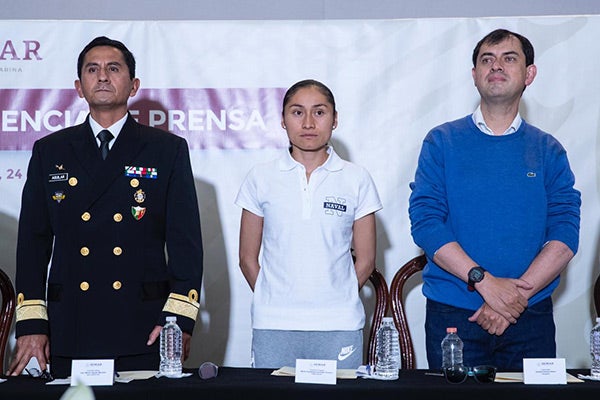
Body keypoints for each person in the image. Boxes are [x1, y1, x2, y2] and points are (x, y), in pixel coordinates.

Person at [8, 36, 204, 378]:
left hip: (142, 327)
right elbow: (32, 244)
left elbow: (185, 245)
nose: (102, 76)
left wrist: (179, 320)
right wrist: (31, 323)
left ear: (133, 85)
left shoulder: (166, 150)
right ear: (79, 87)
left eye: (113, 69)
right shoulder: (50, 151)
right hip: (70, 325)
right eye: (92, 69)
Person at [408, 29, 581, 370]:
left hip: (529, 315)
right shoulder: (441, 141)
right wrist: (485, 283)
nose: (496, 66)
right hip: (454, 314)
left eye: (509, 58)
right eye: (487, 60)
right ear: (474, 75)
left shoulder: (548, 150)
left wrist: (513, 299)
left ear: (529, 74)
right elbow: (426, 222)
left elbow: (565, 233)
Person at [235, 79, 382, 369]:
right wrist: (272, 299)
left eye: (319, 112)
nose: (308, 122)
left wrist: (337, 299)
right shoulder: (260, 177)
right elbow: (246, 259)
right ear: (282, 120)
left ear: (335, 119)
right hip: (273, 324)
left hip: (339, 324)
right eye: (297, 112)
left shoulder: (356, 178)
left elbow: (366, 260)